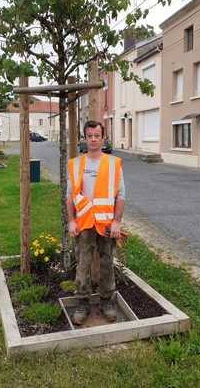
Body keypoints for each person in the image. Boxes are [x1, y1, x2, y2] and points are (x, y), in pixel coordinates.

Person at [67, 120, 125, 325]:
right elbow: (70, 196)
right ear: (85, 138)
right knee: (83, 262)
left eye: (96, 136)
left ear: (103, 138)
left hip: (107, 223)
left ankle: (107, 301)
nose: (93, 139)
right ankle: (82, 303)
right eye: (89, 136)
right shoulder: (75, 164)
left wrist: (117, 221)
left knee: (107, 261)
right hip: (84, 223)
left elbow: (121, 196)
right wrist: (72, 220)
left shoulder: (113, 163)